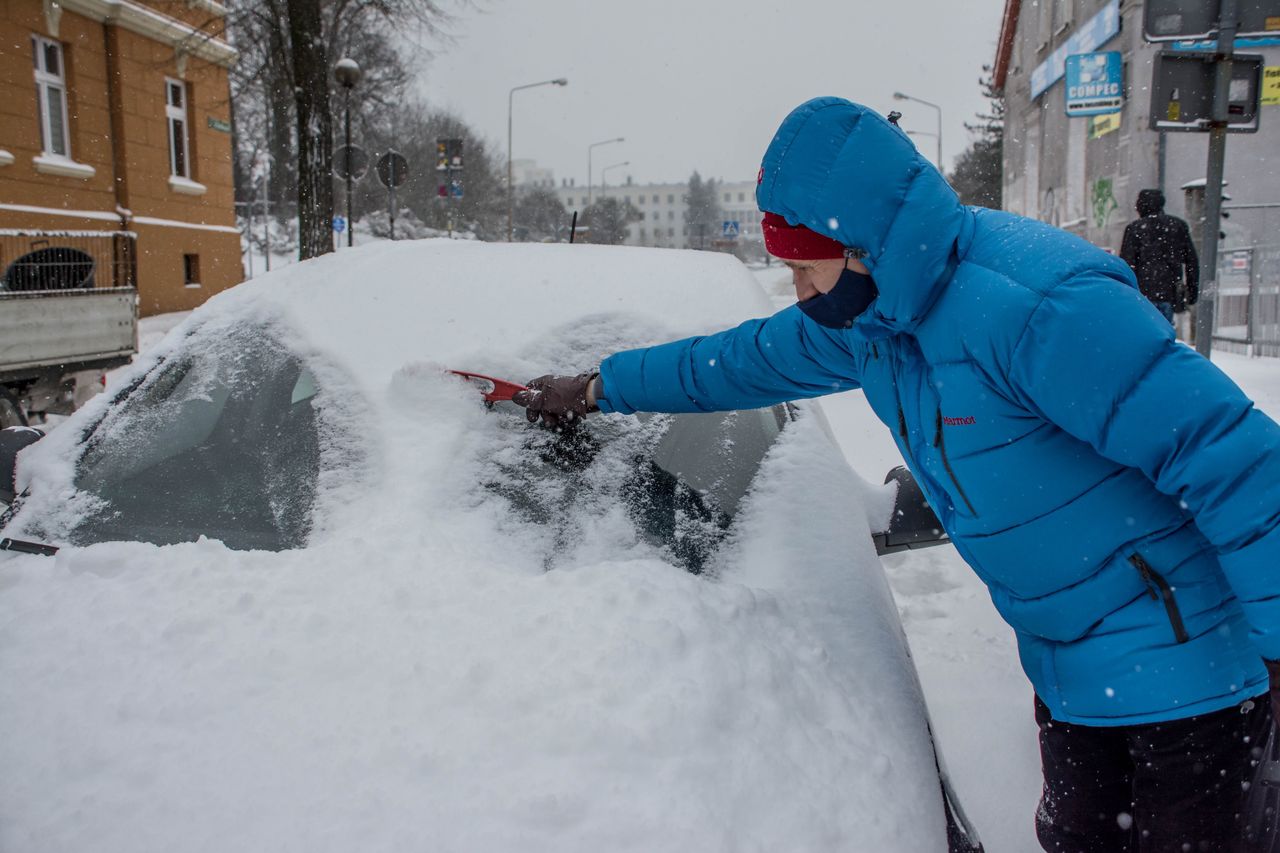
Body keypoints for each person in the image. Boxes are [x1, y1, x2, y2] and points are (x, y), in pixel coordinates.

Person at [512, 97, 1280, 851]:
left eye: (806, 271)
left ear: (862, 245)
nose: (800, 293)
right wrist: (594, 389)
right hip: (1071, 665)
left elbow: (1235, 461)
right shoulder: (872, 323)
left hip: (1191, 661)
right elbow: (734, 364)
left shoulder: (1036, 306)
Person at [1119, 188, 1200, 325]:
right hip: (1170, 292)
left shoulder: (1134, 229)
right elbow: (1191, 261)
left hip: (1142, 294)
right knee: (1164, 331)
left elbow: (1126, 265)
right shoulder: (1177, 226)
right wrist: (1192, 291)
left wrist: (1124, 294)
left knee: (1144, 331)